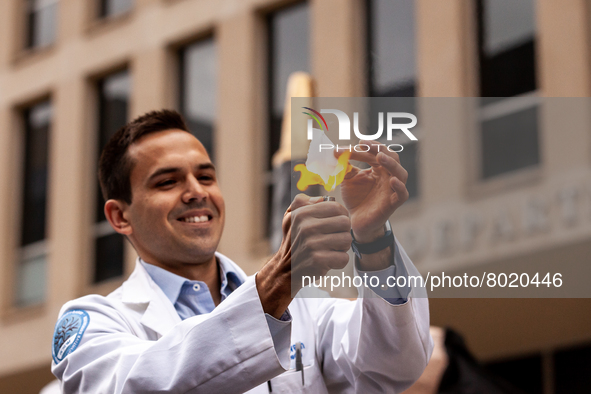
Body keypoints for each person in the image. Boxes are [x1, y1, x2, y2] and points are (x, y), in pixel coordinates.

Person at [51, 110, 432, 393]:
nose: (196, 192)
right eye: (167, 181)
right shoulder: (95, 323)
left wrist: (372, 239)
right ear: (119, 216)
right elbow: (141, 384)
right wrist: (279, 278)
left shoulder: (303, 306)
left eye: (205, 176)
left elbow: (394, 366)